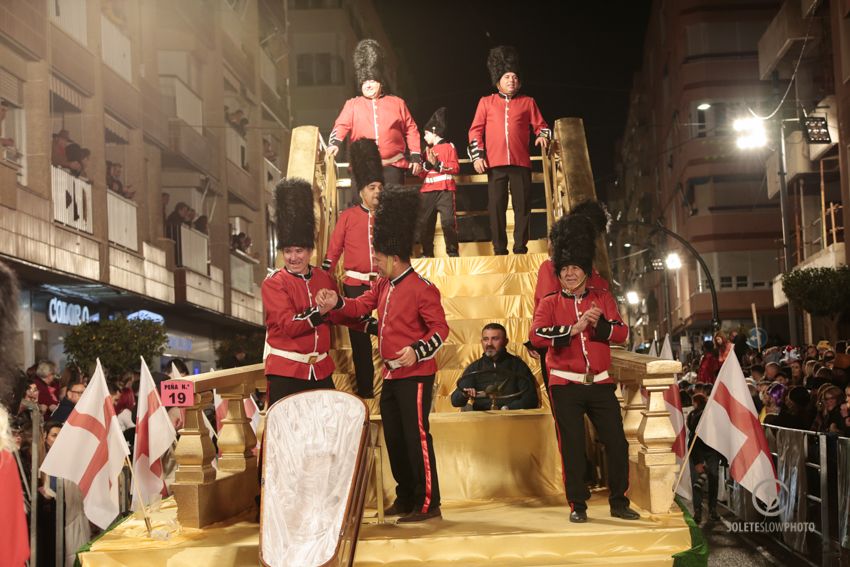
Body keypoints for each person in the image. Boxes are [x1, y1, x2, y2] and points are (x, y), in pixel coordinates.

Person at [320, 186, 449, 523]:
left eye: (377, 258)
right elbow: (362, 309)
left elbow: (440, 331)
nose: (373, 262)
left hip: (416, 374)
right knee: (394, 437)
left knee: (416, 436)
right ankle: (406, 497)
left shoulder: (423, 288)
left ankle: (427, 503)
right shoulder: (382, 286)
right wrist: (337, 305)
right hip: (390, 374)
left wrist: (416, 351)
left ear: (394, 257)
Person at [528, 204, 639, 523]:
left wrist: (599, 325)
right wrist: (571, 330)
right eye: (565, 269)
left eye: (575, 267)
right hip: (565, 385)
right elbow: (536, 335)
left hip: (601, 384)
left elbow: (622, 333)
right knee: (573, 448)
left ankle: (620, 501)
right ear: (559, 270)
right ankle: (578, 504)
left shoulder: (602, 298)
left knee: (617, 444)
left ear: (585, 269)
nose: (570, 273)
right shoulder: (550, 302)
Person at [261, 178, 346, 406]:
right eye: (287, 251)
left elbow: (337, 315)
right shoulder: (273, 283)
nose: (293, 257)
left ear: (310, 250)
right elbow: (289, 325)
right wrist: (321, 310)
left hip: (320, 371)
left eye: (299, 250)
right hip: (286, 373)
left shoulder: (324, 278)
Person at [468, 45, 550, 256]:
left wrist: (542, 136)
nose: (511, 80)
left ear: (519, 80)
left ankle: (520, 247)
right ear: (498, 80)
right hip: (494, 164)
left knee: (523, 207)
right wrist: (478, 156)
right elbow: (475, 131)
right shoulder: (486, 102)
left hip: (521, 163)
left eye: (514, 77)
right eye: (507, 76)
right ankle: (499, 248)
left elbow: (543, 126)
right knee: (496, 208)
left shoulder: (528, 102)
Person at [322, 138, 383, 398]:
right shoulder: (347, 217)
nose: (377, 192)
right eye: (372, 187)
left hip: (383, 284)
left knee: (394, 335)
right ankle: (367, 392)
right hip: (355, 286)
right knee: (360, 344)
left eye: (380, 187)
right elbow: (333, 251)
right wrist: (323, 278)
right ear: (361, 191)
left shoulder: (388, 216)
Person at [327, 39, 422, 188]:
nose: (368, 85)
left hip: (393, 166)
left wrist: (416, 155)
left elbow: (411, 129)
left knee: (393, 207)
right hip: (363, 169)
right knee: (364, 209)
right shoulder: (352, 104)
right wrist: (335, 143)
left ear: (380, 82)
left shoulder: (397, 103)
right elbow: (341, 125)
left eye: (371, 80)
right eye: (364, 82)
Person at [451, 323, 538, 411]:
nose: (489, 343)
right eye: (485, 339)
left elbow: (531, 400)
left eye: (495, 339)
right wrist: (464, 394)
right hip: (482, 420)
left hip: (512, 419)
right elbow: (455, 401)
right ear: (481, 342)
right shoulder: (474, 368)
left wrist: (507, 409)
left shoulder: (518, 365)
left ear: (505, 342)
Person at [416, 107, 460, 257]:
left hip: (445, 191)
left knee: (448, 222)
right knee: (425, 223)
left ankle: (452, 252)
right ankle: (427, 253)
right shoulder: (426, 151)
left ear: (434, 132)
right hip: (427, 192)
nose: (424, 137)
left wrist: (437, 164)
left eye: (426, 133)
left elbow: (455, 168)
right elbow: (422, 174)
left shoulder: (449, 147)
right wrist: (427, 164)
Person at [687, 393, 720, 523]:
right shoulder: (695, 416)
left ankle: (708, 510)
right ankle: (700, 510)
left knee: (711, 480)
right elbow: (694, 440)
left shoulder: (698, 415)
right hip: (698, 451)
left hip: (711, 451)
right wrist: (698, 461)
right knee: (699, 482)